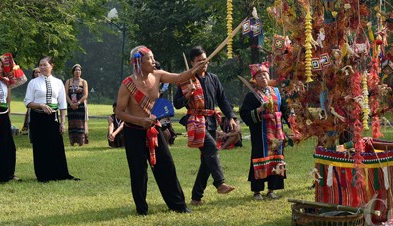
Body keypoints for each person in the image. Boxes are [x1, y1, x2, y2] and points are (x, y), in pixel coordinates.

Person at [115, 45, 205, 215]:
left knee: (167, 166)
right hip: (134, 131)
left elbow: (179, 78)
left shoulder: (158, 75)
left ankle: (178, 205)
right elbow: (119, 113)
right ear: (138, 63)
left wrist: (195, 69)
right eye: (149, 58)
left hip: (154, 129)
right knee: (138, 171)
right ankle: (141, 209)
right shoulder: (127, 84)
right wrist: (141, 121)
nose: (153, 61)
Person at [174, 45, 237, 206]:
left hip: (210, 121)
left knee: (207, 160)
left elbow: (222, 99)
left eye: (205, 60)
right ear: (192, 62)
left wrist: (230, 116)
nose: (204, 63)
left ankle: (196, 197)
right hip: (195, 122)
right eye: (200, 61)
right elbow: (177, 104)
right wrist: (188, 93)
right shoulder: (186, 80)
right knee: (212, 150)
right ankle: (220, 183)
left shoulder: (213, 78)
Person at [23, 56, 77, 182]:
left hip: (53, 117)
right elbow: (27, 102)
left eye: (44, 65)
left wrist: (63, 122)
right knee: (40, 146)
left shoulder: (58, 82)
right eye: (40, 65)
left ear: (51, 66)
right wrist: (40, 105)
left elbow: (62, 104)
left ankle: (60, 173)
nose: (42, 67)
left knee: (56, 145)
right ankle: (43, 175)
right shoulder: (33, 83)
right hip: (38, 117)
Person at [239, 63, 289, 201]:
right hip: (260, 133)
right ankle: (257, 191)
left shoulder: (276, 93)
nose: (263, 77)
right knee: (259, 158)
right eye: (259, 75)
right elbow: (244, 113)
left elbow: (285, 110)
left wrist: (293, 125)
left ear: (269, 76)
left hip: (277, 131)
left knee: (276, 158)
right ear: (255, 79)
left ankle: (272, 189)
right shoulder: (252, 95)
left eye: (265, 74)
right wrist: (259, 110)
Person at [65, 64, 89, 146]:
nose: (77, 71)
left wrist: (78, 103)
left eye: (79, 70)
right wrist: (71, 103)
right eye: (76, 70)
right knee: (72, 122)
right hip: (70, 105)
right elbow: (65, 94)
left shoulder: (84, 82)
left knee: (80, 123)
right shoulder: (68, 81)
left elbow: (85, 95)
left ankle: (81, 141)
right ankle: (72, 141)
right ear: (73, 72)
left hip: (80, 105)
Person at [22, 68, 40, 136]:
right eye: (36, 72)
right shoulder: (31, 82)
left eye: (39, 72)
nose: (37, 74)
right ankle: (27, 130)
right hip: (32, 104)